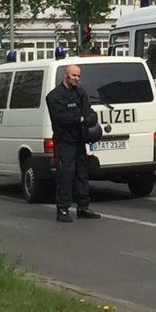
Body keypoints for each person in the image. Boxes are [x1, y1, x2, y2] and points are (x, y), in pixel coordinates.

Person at [46, 64, 101, 223]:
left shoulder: (80, 93)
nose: (77, 78)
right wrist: (81, 119)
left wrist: (91, 117)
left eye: (78, 76)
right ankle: (63, 209)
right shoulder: (54, 96)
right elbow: (61, 118)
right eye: (74, 75)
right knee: (65, 175)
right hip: (64, 142)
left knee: (81, 174)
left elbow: (88, 111)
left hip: (79, 140)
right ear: (66, 75)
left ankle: (83, 207)